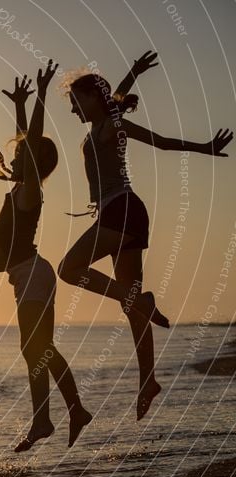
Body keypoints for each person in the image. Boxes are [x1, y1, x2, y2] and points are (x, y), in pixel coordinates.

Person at [58, 51, 233, 420]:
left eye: (76, 102)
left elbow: (162, 142)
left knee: (69, 269)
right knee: (133, 306)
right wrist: (133, 74)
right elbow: (113, 101)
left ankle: (142, 300)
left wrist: (205, 148)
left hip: (122, 210)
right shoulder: (103, 124)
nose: (74, 111)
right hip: (121, 212)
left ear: (90, 97)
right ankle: (147, 381)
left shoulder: (110, 127)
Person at [0, 60, 92, 452]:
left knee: (35, 349)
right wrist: (19, 103)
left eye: (21, 158)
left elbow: (29, 145)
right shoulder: (20, 190)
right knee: (38, 349)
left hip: (33, 275)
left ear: (32, 165)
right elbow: (24, 142)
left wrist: (42, 96)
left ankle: (45, 420)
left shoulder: (31, 192)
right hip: (28, 276)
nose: (12, 160)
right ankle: (69, 412)